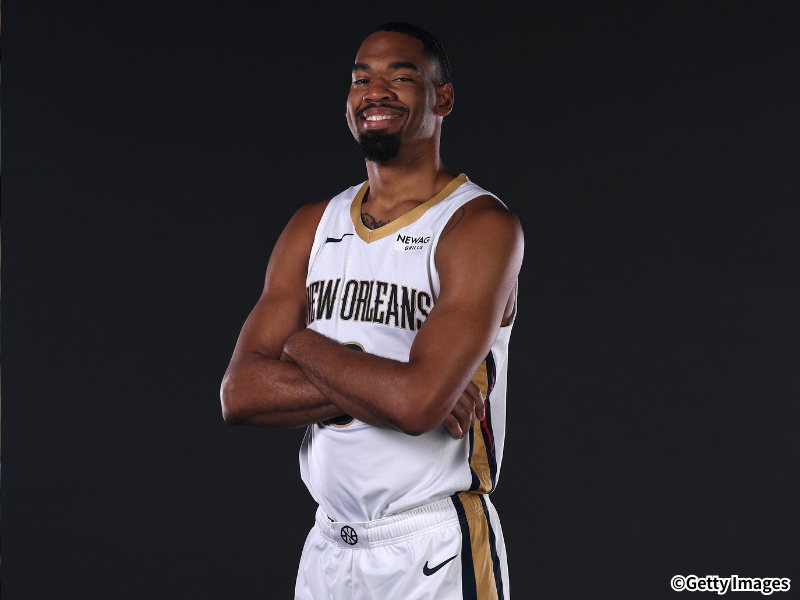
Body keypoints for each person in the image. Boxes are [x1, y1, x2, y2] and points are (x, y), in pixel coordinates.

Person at [221, 22, 523, 599]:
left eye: (400, 77)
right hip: (328, 546)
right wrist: (395, 382)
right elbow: (240, 394)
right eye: (361, 79)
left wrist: (302, 347)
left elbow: (414, 405)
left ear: (443, 97)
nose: (375, 92)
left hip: (432, 546)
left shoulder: (478, 226)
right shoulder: (312, 225)